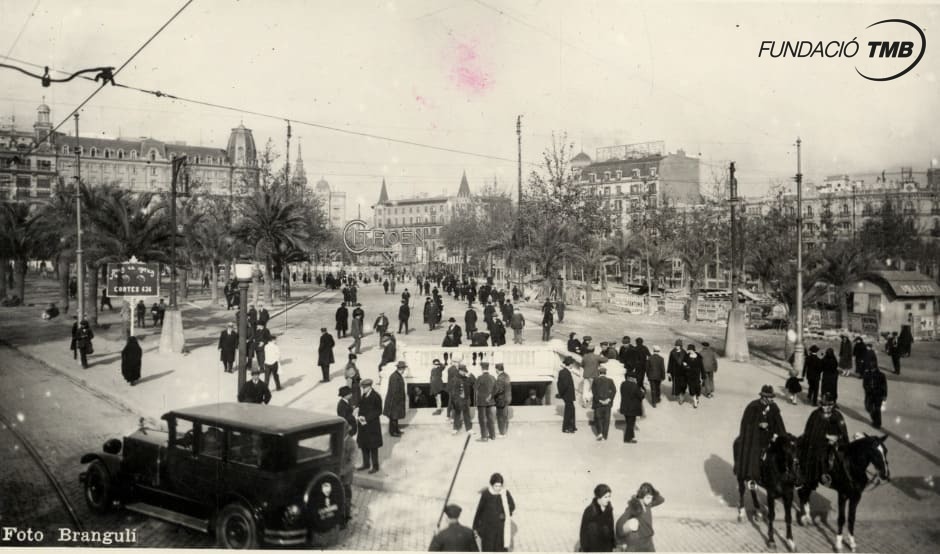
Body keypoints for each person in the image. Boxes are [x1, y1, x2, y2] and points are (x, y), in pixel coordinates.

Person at [734, 385, 786, 489]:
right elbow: (746, 423)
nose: (772, 399)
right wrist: (758, 425)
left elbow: (779, 423)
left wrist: (779, 434)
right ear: (764, 397)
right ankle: (752, 477)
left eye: (772, 397)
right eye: (770, 397)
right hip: (756, 438)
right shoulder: (753, 406)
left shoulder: (774, 407)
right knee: (755, 454)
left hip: (771, 437)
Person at [799, 393, 850, 487]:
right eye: (823, 405)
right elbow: (810, 433)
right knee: (819, 457)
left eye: (828, 405)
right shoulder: (816, 415)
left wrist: (837, 438)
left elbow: (843, 432)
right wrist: (826, 437)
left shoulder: (837, 415)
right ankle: (822, 476)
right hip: (818, 443)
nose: (825, 407)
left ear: (833, 404)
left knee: (843, 459)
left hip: (835, 443)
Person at [616, 482, 665, 552]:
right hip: (638, 543)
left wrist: (652, 490)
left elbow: (661, 499)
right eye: (648, 497)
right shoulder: (633, 507)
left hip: (649, 541)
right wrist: (621, 542)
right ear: (641, 496)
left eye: (651, 498)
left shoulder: (648, 504)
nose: (650, 500)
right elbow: (619, 524)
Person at [472, 473, 515, 552]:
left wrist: (505, 514)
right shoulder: (486, 494)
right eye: (496, 486)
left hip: (500, 529)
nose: (498, 488)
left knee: (500, 549)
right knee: (488, 548)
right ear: (492, 485)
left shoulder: (505, 493)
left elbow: (512, 505)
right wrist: (475, 526)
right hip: (488, 529)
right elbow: (479, 510)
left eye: (500, 486)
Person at [356, 379, 383, 474]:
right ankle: (366, 464)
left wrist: (366, 418)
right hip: (363, 425)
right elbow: (361, 406)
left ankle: (375, 466)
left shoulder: (376, 396)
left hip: (372, 426)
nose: (363, 390)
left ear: (370, 387)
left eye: (365, 388)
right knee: (364, 445)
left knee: (373, 447)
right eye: (363, 388)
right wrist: (358, 415)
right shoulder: (364, 395)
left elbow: (379, 411)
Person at [579, 484, 615, 552]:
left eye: (609, 496)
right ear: (598, 497)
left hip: (606, 548)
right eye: (605, 497)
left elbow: (611, 530)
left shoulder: (609, 510)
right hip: (592, 549)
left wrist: (612, 546)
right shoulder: (589, 511)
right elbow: (583, 532)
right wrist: (585, 549)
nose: (608, 499)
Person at [384, 361, 408, 437]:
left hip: (396, 400)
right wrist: (398, 400)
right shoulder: (395, 376)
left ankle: (396, 430)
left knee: (395, 417)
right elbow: (394, 390)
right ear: (401, 368)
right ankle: (393, 432)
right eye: (404, 369)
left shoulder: (397, 375)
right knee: (393, 417)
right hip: (394, 400)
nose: (404, 370)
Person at [619, 374, 644, 443]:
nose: (635, 379)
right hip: (633, 409)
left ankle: (632, 437)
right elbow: (641, 396)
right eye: (634, 378)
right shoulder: (635, 386)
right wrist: (642, 391)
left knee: (629, 423)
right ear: (631, 378)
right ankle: (627, 439)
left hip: (625, 407)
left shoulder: (623, 384)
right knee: (630, 424)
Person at [474, 362, 497, 441]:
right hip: (491, 402)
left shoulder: (480, 378)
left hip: (481, 402)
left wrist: (475, 403)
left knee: (482, 419)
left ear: (481, 368)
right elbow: (496, 389)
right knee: (490, 418)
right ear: (488, 368)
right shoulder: (493, 377)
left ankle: (484, 437)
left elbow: (475, 390)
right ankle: (492, 435)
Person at [862, 363, 888, 429]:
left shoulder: (881, 375)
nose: (872, 370)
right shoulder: (867, 374)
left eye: (873, 368)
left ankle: (877, 423)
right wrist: (867, 389)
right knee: (868, 407)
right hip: (869, 394)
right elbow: (864, 384)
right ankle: (875, 419)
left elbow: (884, 386)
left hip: (878, 395)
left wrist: (884, 395)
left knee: (877, 409)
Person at [451, 365, 475, 434]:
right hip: (458, 399)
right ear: (460, 371)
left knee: (466, 414)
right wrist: (455, 401)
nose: (464, 372)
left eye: (465, 371)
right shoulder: (454, 379)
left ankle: (469, 429)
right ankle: (455, 428)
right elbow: (452, 391)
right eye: (463, 371)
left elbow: (474, 381)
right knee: (457, 414)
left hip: (466, 399)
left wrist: (470, 374)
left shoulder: (466, 379)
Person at [557, 356, 577, 433]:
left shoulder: (564, 371)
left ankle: (572, 426)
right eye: (572, 364)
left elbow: (559, 383)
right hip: (567, 395)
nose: (573, 365)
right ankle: (566, 428)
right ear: (570, 364)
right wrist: (561, 394)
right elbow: (564, 385)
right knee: (569, 412)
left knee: (571, 410)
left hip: (568, 395)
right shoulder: (565, 372)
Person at [494, 363, 511, 436]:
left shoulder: (500, 378)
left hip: (501, 400)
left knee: (500, 417)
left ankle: (501, 433)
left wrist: (491, 395)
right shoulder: (507, 376)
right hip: (507, 399)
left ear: (497, 369)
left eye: (495, 369)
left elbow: (498, 390)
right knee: (504, 416)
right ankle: (504, 431)